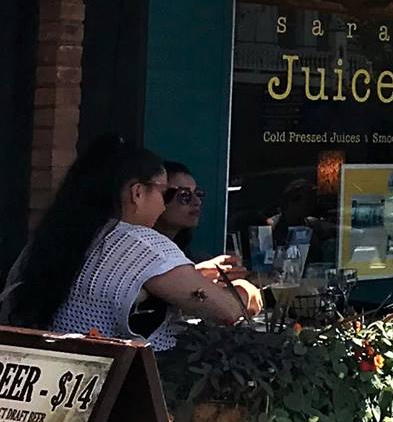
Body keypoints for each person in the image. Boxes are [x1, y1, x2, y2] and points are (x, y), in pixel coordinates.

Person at [0, 137, 257, 348]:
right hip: (127, 393)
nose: (163, 203)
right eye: (165, 192)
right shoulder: (144, 245)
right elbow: (227, 311)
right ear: (137, 193)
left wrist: (195, 275)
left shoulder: (51, 240)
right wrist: (247, 291)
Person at [155, 161, 204, 253]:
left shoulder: (182, 250)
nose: (197, 202)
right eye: (184, 194)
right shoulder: (137, 247)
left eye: (198, 194)